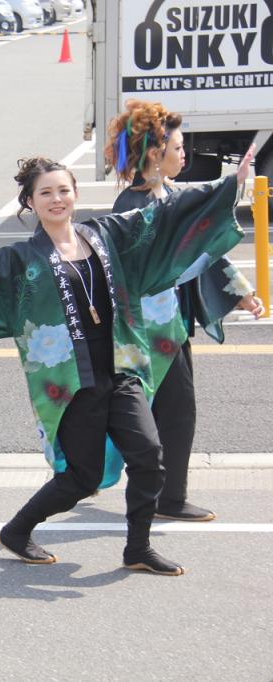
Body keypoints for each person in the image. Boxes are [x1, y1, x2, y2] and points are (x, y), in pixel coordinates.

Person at [0, 148, 256, 576]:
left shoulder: (106, 235)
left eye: (63, 190)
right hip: (72, 383)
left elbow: (161, 218)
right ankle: (17, 529)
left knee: (150, 455)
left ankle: (137, 548)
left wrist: (227, 185)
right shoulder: (19, 260)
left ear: (76, 194)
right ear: (30, 202)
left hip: (121, 369)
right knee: (81, 480)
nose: (56, 199)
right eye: (45, 193)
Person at [105, 100, 265, 522]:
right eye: (177, 148)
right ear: (155, 154)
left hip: (168, 325)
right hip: (146, 332)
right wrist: (233, 183)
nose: (184, 155)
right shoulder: (134, 207)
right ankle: (164, 499)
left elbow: (204, 248)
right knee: (173, 413)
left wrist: (241, 292)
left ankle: (155, 493)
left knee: (167, 413)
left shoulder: (167, 195)